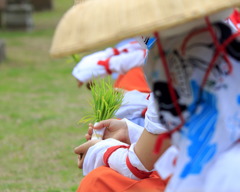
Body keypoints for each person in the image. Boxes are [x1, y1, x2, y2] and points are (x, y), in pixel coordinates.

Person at [50, 0, 240, 191]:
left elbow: (137, 165)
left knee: (98, 181)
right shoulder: (218, 32)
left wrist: (99, 150)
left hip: (216, 176)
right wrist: (131, 131)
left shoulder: (170, 57)